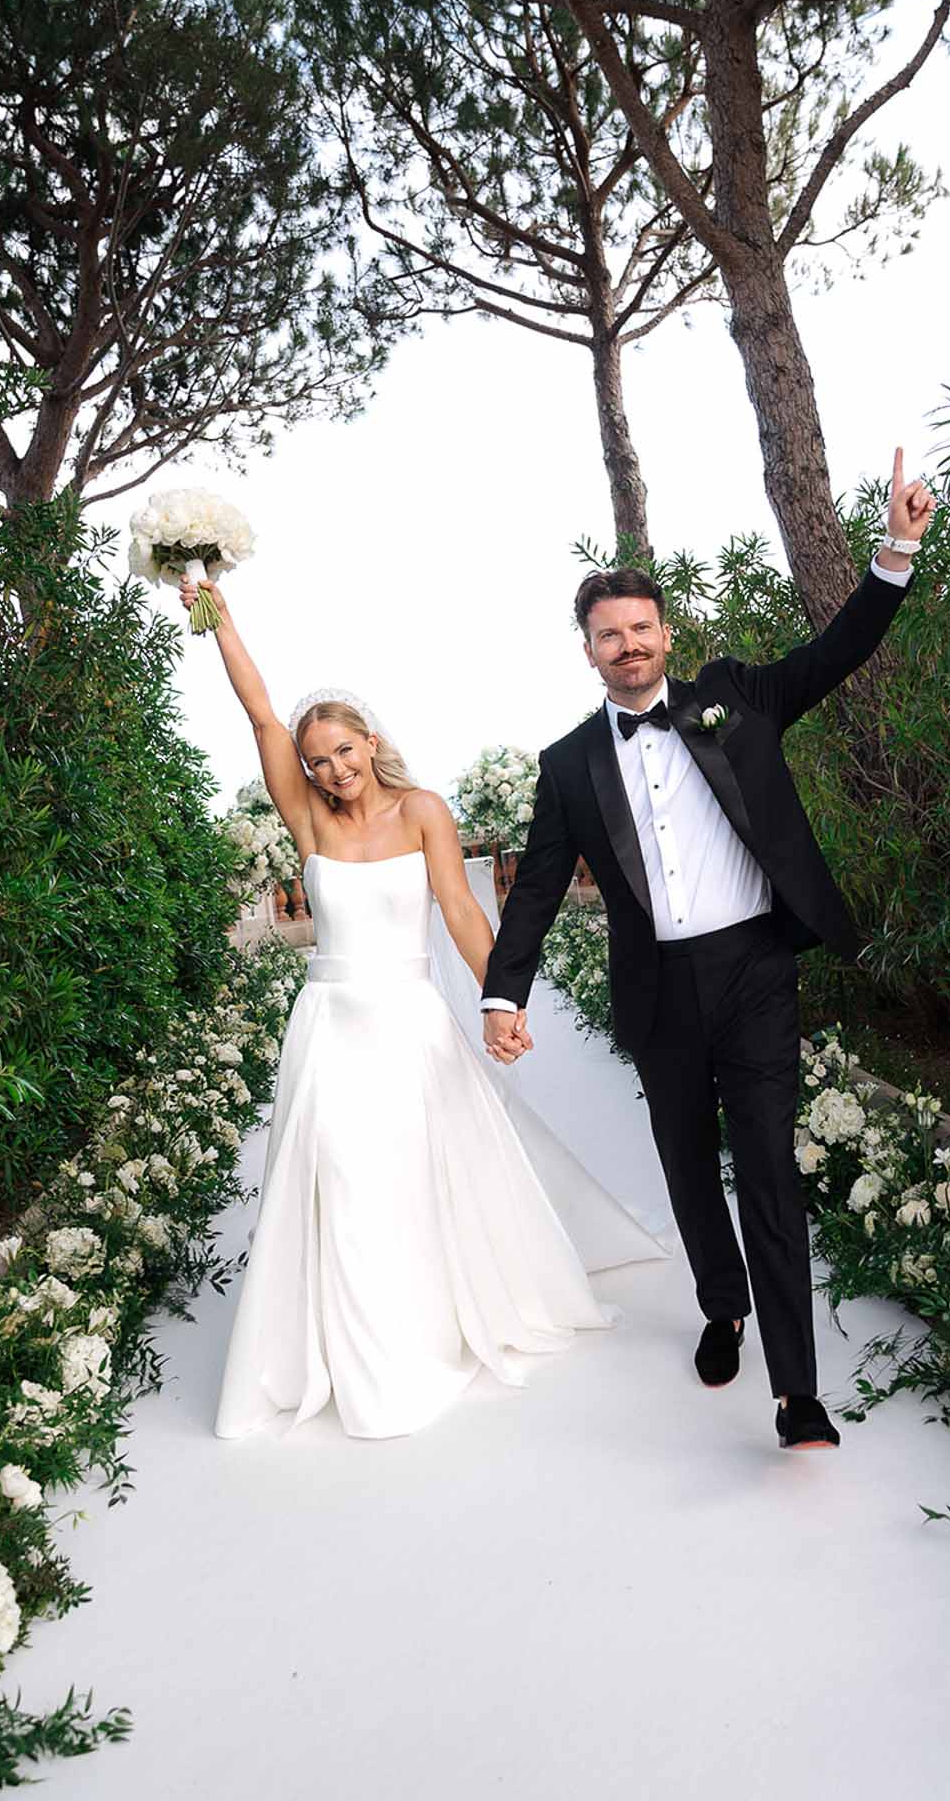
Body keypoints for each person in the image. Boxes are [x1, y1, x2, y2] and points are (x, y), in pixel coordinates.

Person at [481, 449, 936, 1452]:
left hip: (754, 972)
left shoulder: (733, 697)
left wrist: (894, 549)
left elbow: (833, 652)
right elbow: (541, 886)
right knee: (689, 1167)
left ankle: (795, 1393)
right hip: (657, 992)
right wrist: (499, 994)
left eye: (642, 629)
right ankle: (719, 1302)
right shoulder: (567, 765)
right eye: (610, 636)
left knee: (767, 1167)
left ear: (664, 635)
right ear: (588, 650)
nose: (629, 646)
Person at [180, 576, 650, 1440]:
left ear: (370, 741)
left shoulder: (424, 811)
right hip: (328, 1029)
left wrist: (501, 1002)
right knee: (343, 1183)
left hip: (409, 1024)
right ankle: (356, 1350)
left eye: (341, 752)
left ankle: (432, 1321)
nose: (330, 769)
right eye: (317, 759)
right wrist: (219, 616)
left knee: (415, 1177)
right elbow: (258, 718)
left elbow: (466, 914)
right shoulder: (311, 824)